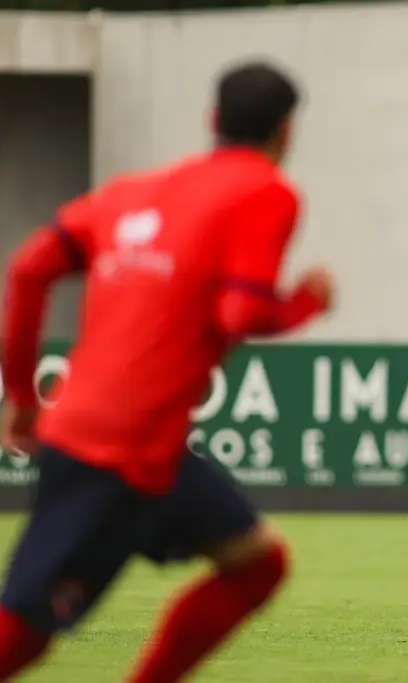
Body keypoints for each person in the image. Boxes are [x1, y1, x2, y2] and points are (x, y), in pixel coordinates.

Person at [0, 60, 332, 680]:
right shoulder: (268, 192)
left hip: (140, 448)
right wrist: (306, 304)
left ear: (211, 122)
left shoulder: (132, 192)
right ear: (287, 133)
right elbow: (240, 313)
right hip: (115, 454)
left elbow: (27, 269)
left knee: (257, 563)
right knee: (22, 632)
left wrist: (20, 396)